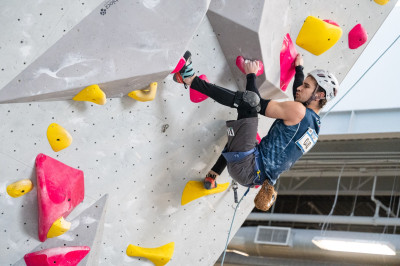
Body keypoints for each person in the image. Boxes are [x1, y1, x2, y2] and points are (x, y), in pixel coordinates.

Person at [174, 51, 339, 211]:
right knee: (243, 132)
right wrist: (299, 69)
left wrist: (251, 74)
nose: (300, 88)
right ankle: (213, 175)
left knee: (249, 102)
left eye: (306, 86)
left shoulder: (298, 111)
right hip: (253, 175)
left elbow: (257, 104)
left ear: (319, 95)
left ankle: (189, 78)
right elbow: (300, 98)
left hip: (248, 165)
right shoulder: (314, 128)